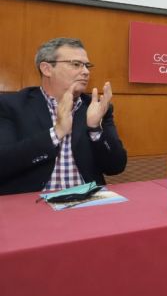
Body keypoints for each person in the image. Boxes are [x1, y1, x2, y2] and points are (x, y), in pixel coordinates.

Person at [0, 37, 127, 195]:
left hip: (89, 202)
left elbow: (116, 167)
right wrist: (57, 132)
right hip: (33, 204)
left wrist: (94, 129)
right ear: (47, 69)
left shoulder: (96, 107)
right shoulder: (11, 106)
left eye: (87, 66)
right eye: (76, 64)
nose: (86, 71)